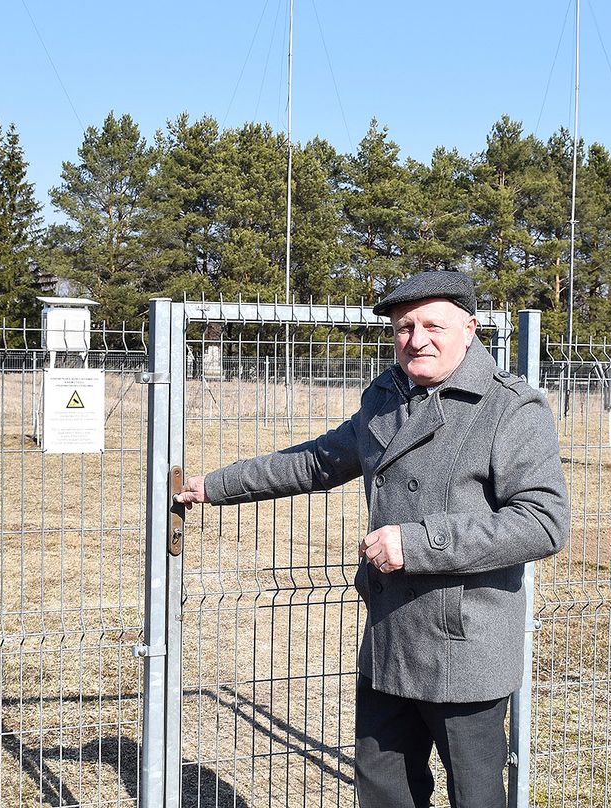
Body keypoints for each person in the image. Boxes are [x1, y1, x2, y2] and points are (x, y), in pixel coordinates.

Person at [175, 270, 569, 808]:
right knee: (384, 793)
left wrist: (418, 543)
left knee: (475, 797)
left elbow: (543, 521)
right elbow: (316, 462)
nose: (417, 339)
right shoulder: (386, 396)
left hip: (466, 647)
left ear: (471, 328)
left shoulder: (510, 408)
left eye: (433, 325)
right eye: (405, 327)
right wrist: (213, 486)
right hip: (391, 640)